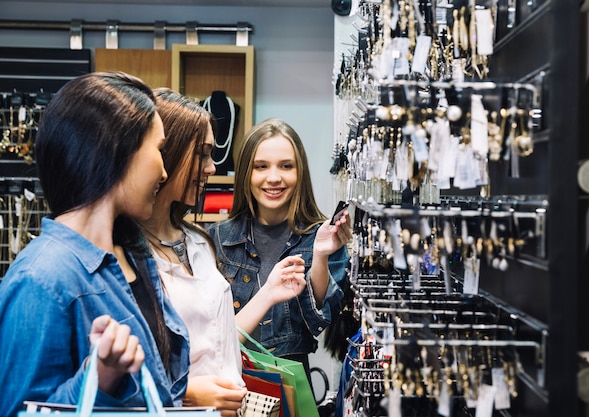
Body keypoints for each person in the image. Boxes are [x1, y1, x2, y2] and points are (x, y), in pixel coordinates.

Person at [0, 72, 190, 417]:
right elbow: (16, 410)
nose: (164, 171)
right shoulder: (41, 279)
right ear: (117, 147)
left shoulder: (132, 255)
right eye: (159, 149)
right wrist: (101, 378)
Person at [139, 89, 307, 416]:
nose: (212, 167)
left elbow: (222, 337)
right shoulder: (129, 253)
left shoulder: (198, 242)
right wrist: (184, 394)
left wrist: (270, 292)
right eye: (201, 154)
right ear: (167, 155)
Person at [206, 117, 352, 378]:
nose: (273, 178)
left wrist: (319, 257)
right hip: (225, 383)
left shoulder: (323, 239)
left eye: (286, 166)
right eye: (261, 166)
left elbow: (319, 320)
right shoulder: (215, 239)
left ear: (300, 173)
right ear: (246, 174)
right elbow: (206, 332)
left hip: (289, 388)